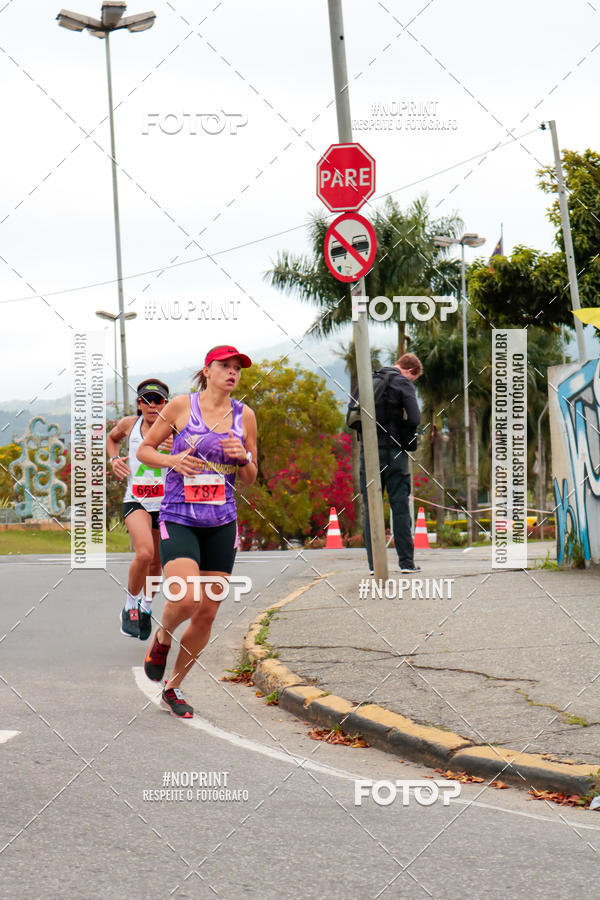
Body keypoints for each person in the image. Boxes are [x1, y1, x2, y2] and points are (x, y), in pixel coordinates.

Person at [136, 345, 257, 718]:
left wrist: (243, 459)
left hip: (222, 521)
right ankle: (162, 635)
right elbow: (144, 450)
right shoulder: (180, 407)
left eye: (237, 368)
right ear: (207, 370)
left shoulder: (245, 416)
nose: (232, 372)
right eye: (225, 366)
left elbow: (251, 479)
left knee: (206, 613)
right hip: (179, 516)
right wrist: (171, 460)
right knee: (185, 598)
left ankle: (173, 688)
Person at [107, 379, 172, 641]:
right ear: (139, 404)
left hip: (166, 504)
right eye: (147, 400)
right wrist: (113, 459)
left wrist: (177, 446)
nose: (152, 406)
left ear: (166, 404)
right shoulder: (128, 425)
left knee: (157, 562)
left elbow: (196, 454)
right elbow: (112, 440)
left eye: (158, 401)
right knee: (144, 553)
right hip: (136, 500)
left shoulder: (175, 427)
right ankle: (129, 606)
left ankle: (146, 607)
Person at [359, 353, 422, 574]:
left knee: (371, 508)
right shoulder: (403, 383)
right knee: (400, 507)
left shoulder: (369, 380)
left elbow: (354, 416)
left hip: (369, 453)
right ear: (410, 371)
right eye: (414, 379)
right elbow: (414, 418)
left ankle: (373, 565)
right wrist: (403, 432)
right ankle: (406, 563)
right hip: (395, 453)